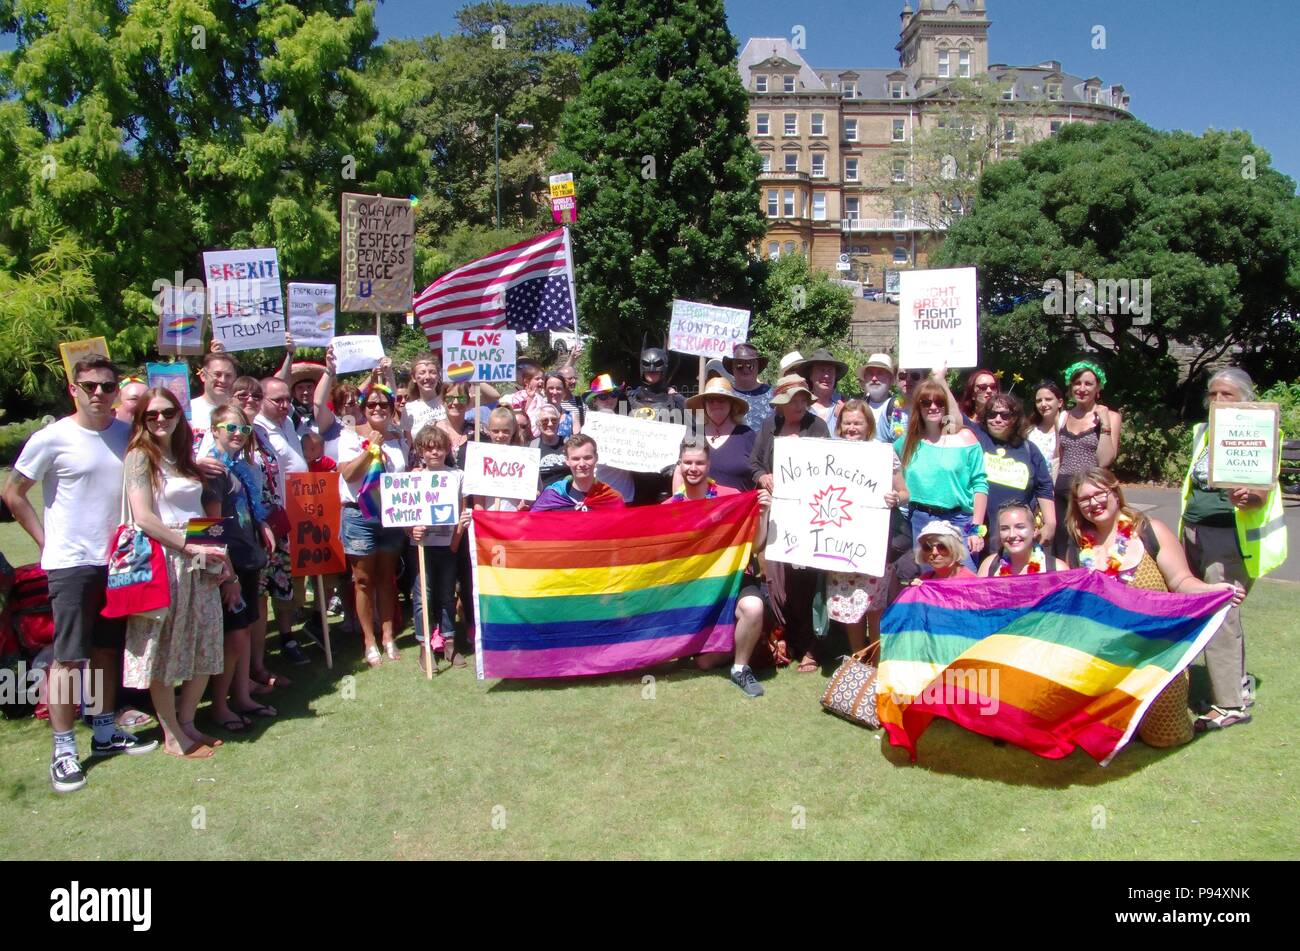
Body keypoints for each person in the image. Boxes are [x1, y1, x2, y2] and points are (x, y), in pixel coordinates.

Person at [5, 356, 159, 793]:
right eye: (89, 385)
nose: (98, 393)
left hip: (117, 562)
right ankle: (64, 747)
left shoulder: (126, 435)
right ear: (74, 388)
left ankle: (106, 728)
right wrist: (45, 542)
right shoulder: (51, 438)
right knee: (68, 657)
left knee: (108, 651)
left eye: (107, 386)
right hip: (70, 563)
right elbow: (13, 493)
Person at [1066, 468, 1246, 745]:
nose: (1094, 503)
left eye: (1100, 493)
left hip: (1156, 655)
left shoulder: (1150, 530)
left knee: (1166, 738)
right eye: (1084, 499)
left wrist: (1211, 590)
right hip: (1106, 655)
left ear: (1115, 492)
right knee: (1100, 739)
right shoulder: (1078, 543)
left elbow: (1181, 580)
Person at [122, 388, 232, 759]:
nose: (160, 420)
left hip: (200, 555)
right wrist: (188, 547)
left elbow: (198, 514)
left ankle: (188, 723)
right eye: (150, 415)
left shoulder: (183, 459)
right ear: (141, 420)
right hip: (164, 559)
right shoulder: (140, 457)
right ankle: (171, 734)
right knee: (166, 648)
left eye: (167, 413)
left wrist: (219, 558)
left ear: (179, 415)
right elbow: (144, 517)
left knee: (206, 636)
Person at [1178, 368, 1287, 730]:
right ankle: (1234, 686)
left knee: (1220, 615)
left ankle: (1229, 705)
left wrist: (1251, 497)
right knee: (1198, 609)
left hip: (1228, 538)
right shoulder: (1203, 433)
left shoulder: (1260, 429)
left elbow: (1262, 490)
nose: (1218, 402)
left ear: (1245, 399)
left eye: (1227, 395)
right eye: (1213, 395)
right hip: (1192, 532)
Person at [664, 436, 771, 697]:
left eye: (699, 462)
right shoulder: (668, 508)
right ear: (679, 465)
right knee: (703, 662)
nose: (693, 468)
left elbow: (755, 547)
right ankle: (720, 645)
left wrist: (763, 514)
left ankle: (740, 667)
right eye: (687, 462)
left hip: (731, 580)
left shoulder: (731, 498)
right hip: (691, 588)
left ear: (709, 464)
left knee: (753, 607)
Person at [749, 374, 831, 673]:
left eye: (802, 400)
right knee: (776, 578)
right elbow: (755, 463)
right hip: (777, 513)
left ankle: (812, 645)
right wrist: (762, 477)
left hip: (809, 513)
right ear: (780, 405)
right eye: (792, 400)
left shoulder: (817, 426)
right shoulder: (770, 426)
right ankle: (785, 638)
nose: (798, 405)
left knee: (808, 578)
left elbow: (829, 465)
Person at [204, 404, 278, 731]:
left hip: (247, 559)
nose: (238, 434)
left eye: (244, 430)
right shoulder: (211, 471)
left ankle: (242, 696)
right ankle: (219, 707)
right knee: (232, 636)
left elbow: (249, 508)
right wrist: (226, 572)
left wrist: (262, 525)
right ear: (214, 429)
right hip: (227, 565)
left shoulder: (241, 468)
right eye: (231, 428)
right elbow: (207, 526)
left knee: (244, 631)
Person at [824, 400, 907, 651]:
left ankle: (877, 657)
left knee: (875, 603)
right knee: (850, 603)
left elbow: (904, 492)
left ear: (868, 425)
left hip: (874, 541)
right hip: (839, 542)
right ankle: (858, 656)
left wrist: (895, 498)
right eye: (847, 423)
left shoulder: (883, 452)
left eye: (857, 423)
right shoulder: (828, 453)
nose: (852, 428)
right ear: (839, 426)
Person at [338, 383, 408, 666]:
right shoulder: (349, 436)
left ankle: (388, 634)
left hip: (391, 516)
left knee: (386, 577)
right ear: (363, 409)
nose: (377, 409)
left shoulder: (401, 438)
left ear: (392, 409)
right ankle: (369, 640)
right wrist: (371, 449)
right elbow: (349, 474)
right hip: (359, 514)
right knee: (363, 580)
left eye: (383, 405)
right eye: (371, 405)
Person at [895, 373, 988, 571]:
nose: (933, 407)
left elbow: (980, 484)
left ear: (946, 405)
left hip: (960, 521)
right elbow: (881, 463)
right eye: (926, 402)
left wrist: (976, 531)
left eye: (939, 401)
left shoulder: (965, 438)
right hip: (922, 521)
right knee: (932, 586)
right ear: (918, 408)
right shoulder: (906, 443)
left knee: (967, 580)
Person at [254, 376, 310, 667]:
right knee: (261, 589)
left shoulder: (288, 422)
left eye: (288, 399)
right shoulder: (256, 428)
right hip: (264, 519)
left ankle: (287, 637)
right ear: (261, 399)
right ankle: (257, 656)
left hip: (288, 517)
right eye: (278, 400)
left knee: (285, 582)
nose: (286, 404)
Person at [408, 425, 472, 673]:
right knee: (422, 597)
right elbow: (404, 514)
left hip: (448, 545)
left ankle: (449, 643)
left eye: (439, 448)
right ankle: (425, 648)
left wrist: (456, 541)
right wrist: (410, 530)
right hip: (421, 547)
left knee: (447, 594)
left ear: (447, 449)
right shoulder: (413, 477)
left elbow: (461, 509)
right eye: (428, 448)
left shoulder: (457, 475)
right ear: (420, 451)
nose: (434, 453)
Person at [1054, 360, 1122, 559]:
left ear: (1098, 387)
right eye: (1077, 383)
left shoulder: (1110, 416)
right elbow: (1059, 456)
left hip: (1091, 491)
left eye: (1088, 384)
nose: (1081, 388)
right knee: (1063, 547)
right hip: (1063, 489)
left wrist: (1106, 424)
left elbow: (1106, 459)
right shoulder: (1063, 416)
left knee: (1089, 546)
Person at [972, 392, 1055, 553]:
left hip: (1017, 533)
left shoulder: (1029, 449)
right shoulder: (975, 439)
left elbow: (1044, 486)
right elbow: (952, 418)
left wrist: (1050, 523)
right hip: (980, 531)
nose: (997, 419)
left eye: (1005, 415)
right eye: (992, 414)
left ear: (1015, 418)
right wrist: (940, 377)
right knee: (983, 573)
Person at [682, 377, 756, 492]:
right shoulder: (693, 433)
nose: (715, 403)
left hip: (739, 508)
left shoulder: (748, 435)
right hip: (702, 508)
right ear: (704, 405)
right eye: (710, 400)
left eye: (721, 399)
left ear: (732, 404)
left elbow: (761, 474)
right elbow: (680, 474)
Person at [533, 434, 626, 511]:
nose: (582, 464)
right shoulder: (552, 496)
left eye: (587, 457)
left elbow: (623, 531)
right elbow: (532, 525)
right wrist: (523, 511)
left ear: (596, 458)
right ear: (567, 460)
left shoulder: (612, 498)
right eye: (575, 459)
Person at [584, 373, 636, 503]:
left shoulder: (628, 424)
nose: (609, 400)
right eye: (603, 396)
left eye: (613, 394)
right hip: (600, 497)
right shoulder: (588, 428)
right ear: (594, 400)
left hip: (626, 496)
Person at [977, 502, 1062, 576]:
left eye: (1020, 527)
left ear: (1034, 530)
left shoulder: (1057, 569)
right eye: (1005, 528)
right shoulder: (989, 566)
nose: (1012, 535)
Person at [472, 408, 531, 512]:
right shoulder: (480, 456)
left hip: (514, 516)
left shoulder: (524, 457)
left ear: (513, 431)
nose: (500, 435)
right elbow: (478, 500)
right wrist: (481, 518)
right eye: (495, 431)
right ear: (488, 430)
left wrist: (525, 502)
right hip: (488, 517)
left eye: (505, 431)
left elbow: (533, 489)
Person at [189, 350, 240, 457]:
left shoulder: (240, 412)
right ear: (203, 376)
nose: (223, 380)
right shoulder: (187, 410)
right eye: (217, 374)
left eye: (228, 376)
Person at [787, 348, 847, 431]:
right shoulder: (800, 407)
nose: (826, 376)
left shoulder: (845, 406)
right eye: (821, 370)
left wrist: (846, 417)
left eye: (830, 371)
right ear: (811, 375)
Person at [627, 347, 686, 424]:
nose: (652, 369)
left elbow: (697, 427)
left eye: (657, 364)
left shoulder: (676, 400)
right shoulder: (629, 398)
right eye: (647, 364)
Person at [723, 343, 773, 430]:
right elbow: (701, 425)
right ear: (732, 368)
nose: (745, 370)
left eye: (751, 366)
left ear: (758, 367)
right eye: (739, 366)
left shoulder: (773, 395)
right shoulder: (724, 396)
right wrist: (698, 441)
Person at [1025, 381, 1065, 481]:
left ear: (1060, 402)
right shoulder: (1029, 430)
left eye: (1048, 399)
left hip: (1058, 485)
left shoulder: (1067, 429)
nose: (1043, 404)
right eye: (1039, 401)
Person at [913, 520, 978, 582]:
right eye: (927, 547)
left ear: (955, 549)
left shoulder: (970, 582)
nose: (934, 552)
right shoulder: (924, 580)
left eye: (942, 547)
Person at [879, 367, 921, 444]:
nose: (908, 379)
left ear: (924, 379)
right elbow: (882, 443)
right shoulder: (889, 406)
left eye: (915, 376)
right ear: (896, 379)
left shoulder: (931, 407)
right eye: (902, 376)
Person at [857, 353, 896, 438]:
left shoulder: (899, 408)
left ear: (890, 379)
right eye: (870, 374)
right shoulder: (857, 408)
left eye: (880, 373)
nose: (874, 379)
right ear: (865, 378)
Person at [533, 403, 570, 489]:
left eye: (554, 420)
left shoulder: (569, 444)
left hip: (567, 498)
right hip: (542, 498)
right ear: (538, 423)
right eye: (545, 421)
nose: (550, 424)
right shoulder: (531, 447)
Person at [543, 373, 579, 438]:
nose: (555, 392)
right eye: (551, 388)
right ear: (545, 390)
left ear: (564, 390)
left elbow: (578, 442)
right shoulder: (537, 414)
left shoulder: (572, 416)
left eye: (558, 388)